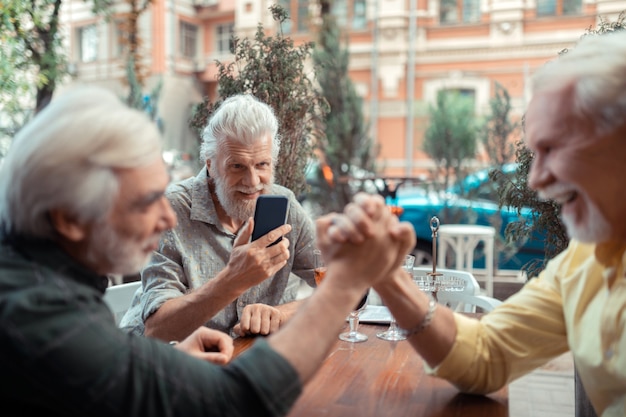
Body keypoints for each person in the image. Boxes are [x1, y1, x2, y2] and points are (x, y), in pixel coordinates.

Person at [0, 85, 414, 416]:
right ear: (69, 218)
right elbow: (235, 402)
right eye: (146, 201)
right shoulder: (43, 322)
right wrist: (345, 281)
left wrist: (171, 363)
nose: (165, 218)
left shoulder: (44, 283)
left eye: (263, 165)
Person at [332, 31, 626, 417]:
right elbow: (487, 355)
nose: (536, 181)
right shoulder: (586, 263)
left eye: (552, 148)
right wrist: (387, 275)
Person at [120, 94, 317, 340]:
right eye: (237, 166)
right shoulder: (171, 211)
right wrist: (234, 280)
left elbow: (340, 286)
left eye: (262, 165)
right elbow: (158, 329)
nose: (252, 182)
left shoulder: (286, 207)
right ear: (211, 165)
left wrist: (283, 314)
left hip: (239, 361)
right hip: (155, 362)